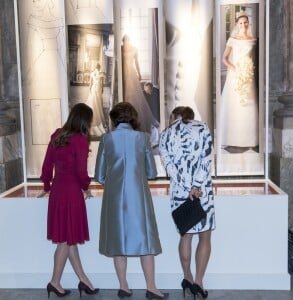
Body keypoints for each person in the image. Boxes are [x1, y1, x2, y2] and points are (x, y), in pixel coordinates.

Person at [94, 102, 168, 299]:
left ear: (114, 118)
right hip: (138, 195)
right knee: (146, 240)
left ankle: (123, 286)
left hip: (114, 197)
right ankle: (151, 287)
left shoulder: (106, 139)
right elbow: (152, 173)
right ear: (133, 117)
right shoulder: (142, 138)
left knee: (118, 241)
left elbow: (99, 176)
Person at [39, 103, 99, 298]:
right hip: (72, 193)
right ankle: (55, 282)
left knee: (69, 238)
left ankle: (84, 281)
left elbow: (47, 166)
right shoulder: (80, 139)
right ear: (85, 121)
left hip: (58, 191)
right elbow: (81, 172)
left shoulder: (57, 135)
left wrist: (47, 187)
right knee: (66, 240)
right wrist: (86, 188)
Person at [159, 106, 215, 299]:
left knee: (186, 236)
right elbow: (206, 160)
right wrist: (196, 185)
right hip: (202, 192)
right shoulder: (203, 128)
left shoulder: (165, 135)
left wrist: (186, 187)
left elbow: (169, 168)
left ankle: (188, 278)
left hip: (180, 193)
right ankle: (199, 281)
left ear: (174, 116)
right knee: (205, 237)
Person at [220, 12, 258, 153]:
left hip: (248, 74)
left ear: (249, 23)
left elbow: (254, 58)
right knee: (235, 105)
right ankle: (233, 138)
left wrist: (247, 67)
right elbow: (225, 58)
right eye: (241, 23)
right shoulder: (233, 39)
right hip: (236, 74)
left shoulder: (253, 39)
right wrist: (235, 68)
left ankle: (250, 139)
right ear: (237, 24)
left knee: (249, 104)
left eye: (245, 22)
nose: (243, 25)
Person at [121, 35, 159, 136]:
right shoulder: (121, 48)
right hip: (123, 72)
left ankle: (134, 120)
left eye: (127, 40)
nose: (126, 42)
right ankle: (126, 120)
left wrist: (139, 73)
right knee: (126, 94)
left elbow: (137, 62)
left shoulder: (134, 49)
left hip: (131, 73)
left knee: (134, 95)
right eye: (124, 40)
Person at [86, 63, 106, 136]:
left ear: (95, 67)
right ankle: (97, 110)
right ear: (99, 67)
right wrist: (102, 89)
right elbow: (102, 83)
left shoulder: (92, 73)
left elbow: (90, 83)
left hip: (94, 88)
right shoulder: (101, 74)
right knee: (98, 100)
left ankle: (94, 109)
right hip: (98, 88)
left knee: (93, 99)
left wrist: (90, 89)